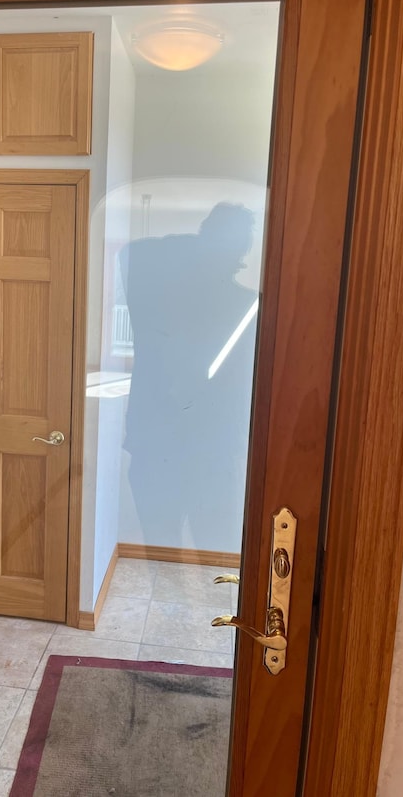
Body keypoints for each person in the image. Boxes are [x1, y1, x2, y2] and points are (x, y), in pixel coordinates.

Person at [119, 202, 258, 549]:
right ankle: (172, 604)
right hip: (159, 444)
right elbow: (130, 251)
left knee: (216, 550)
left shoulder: (247, 305)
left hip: (210, 450)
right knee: (162, 549)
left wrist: (204, 250)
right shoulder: (157, 295)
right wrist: (204, 252)